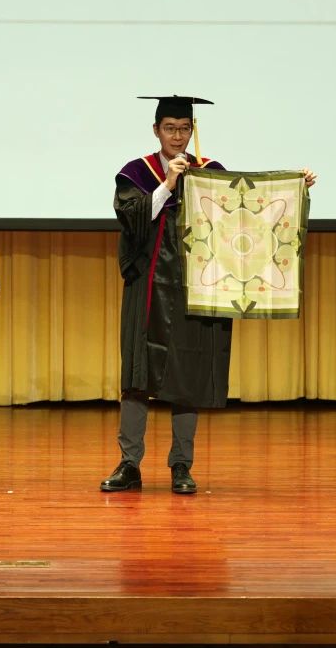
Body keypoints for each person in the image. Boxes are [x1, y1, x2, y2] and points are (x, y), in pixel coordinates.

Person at [100, 95, 315, 495]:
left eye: (184, 129)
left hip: (197, 287)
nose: (177, 137)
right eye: (170, 128)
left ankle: (181, 464)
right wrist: (167, 185)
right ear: (156, 130)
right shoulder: (135, 173)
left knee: (189, 373)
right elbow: (131, 219)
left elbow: (247, 217)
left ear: (192, 130)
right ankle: (129, 464)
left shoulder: (211, 174)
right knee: (137, 376)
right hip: (148, 286)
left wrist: (296, 188)